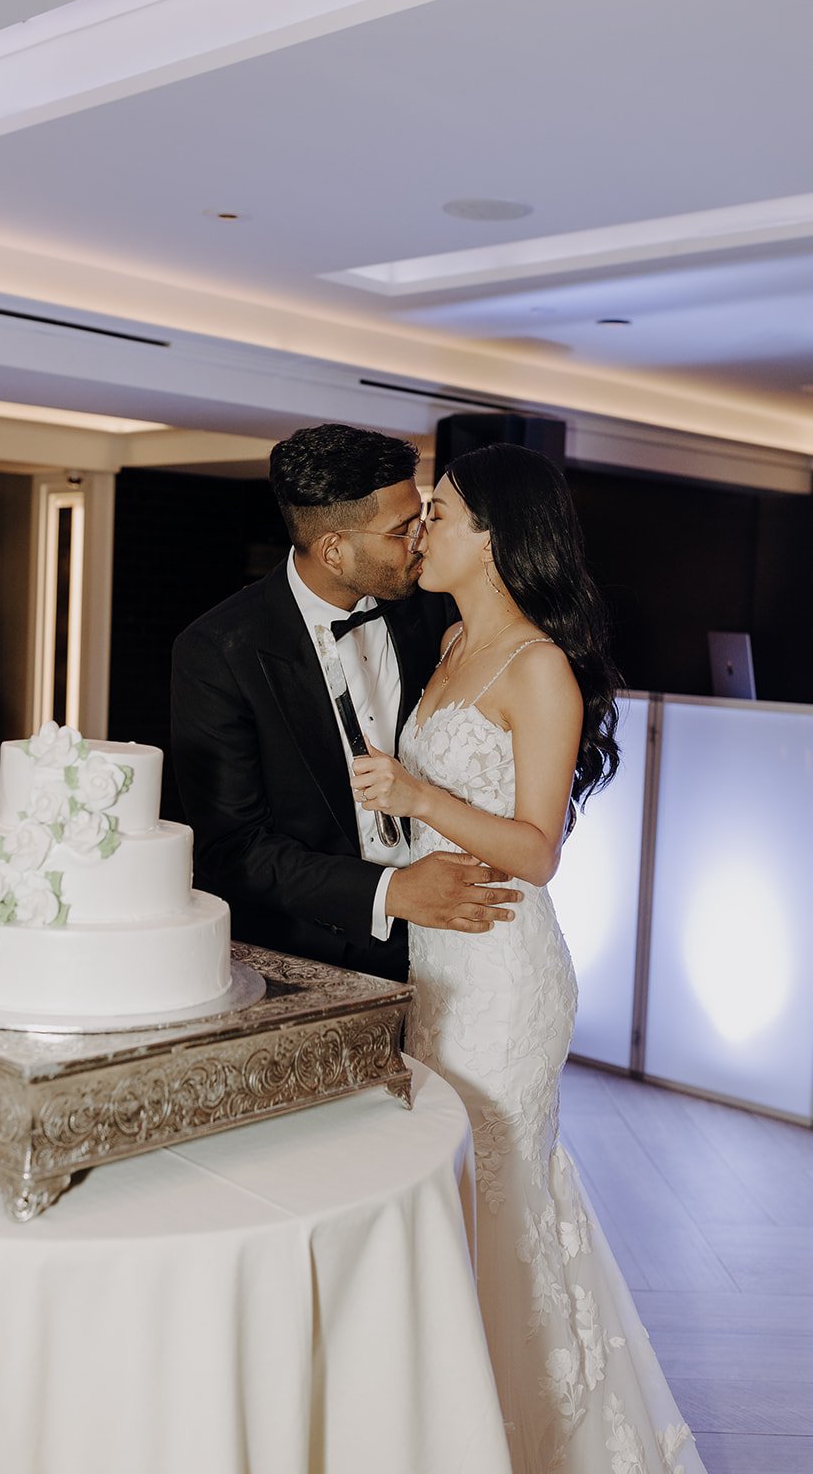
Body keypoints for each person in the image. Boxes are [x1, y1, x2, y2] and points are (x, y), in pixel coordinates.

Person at [351, 443, 704, 1474]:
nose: (421, 532)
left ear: (500, 536)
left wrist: (418, 798)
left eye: (442, 516)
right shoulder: (454, 637)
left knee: (499, 1199)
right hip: (434, 960)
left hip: (503, 976)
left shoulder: (537, 666)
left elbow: (537, 849)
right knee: (447, 1192)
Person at [170, 424, 522, 984]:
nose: (421, 541)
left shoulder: (432, 612)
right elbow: (232, 849)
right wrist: (391, 892)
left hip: (450, 944)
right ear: (335, 549)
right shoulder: (218, 653)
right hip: (303, 957)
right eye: (402, 529)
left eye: (425, 518)